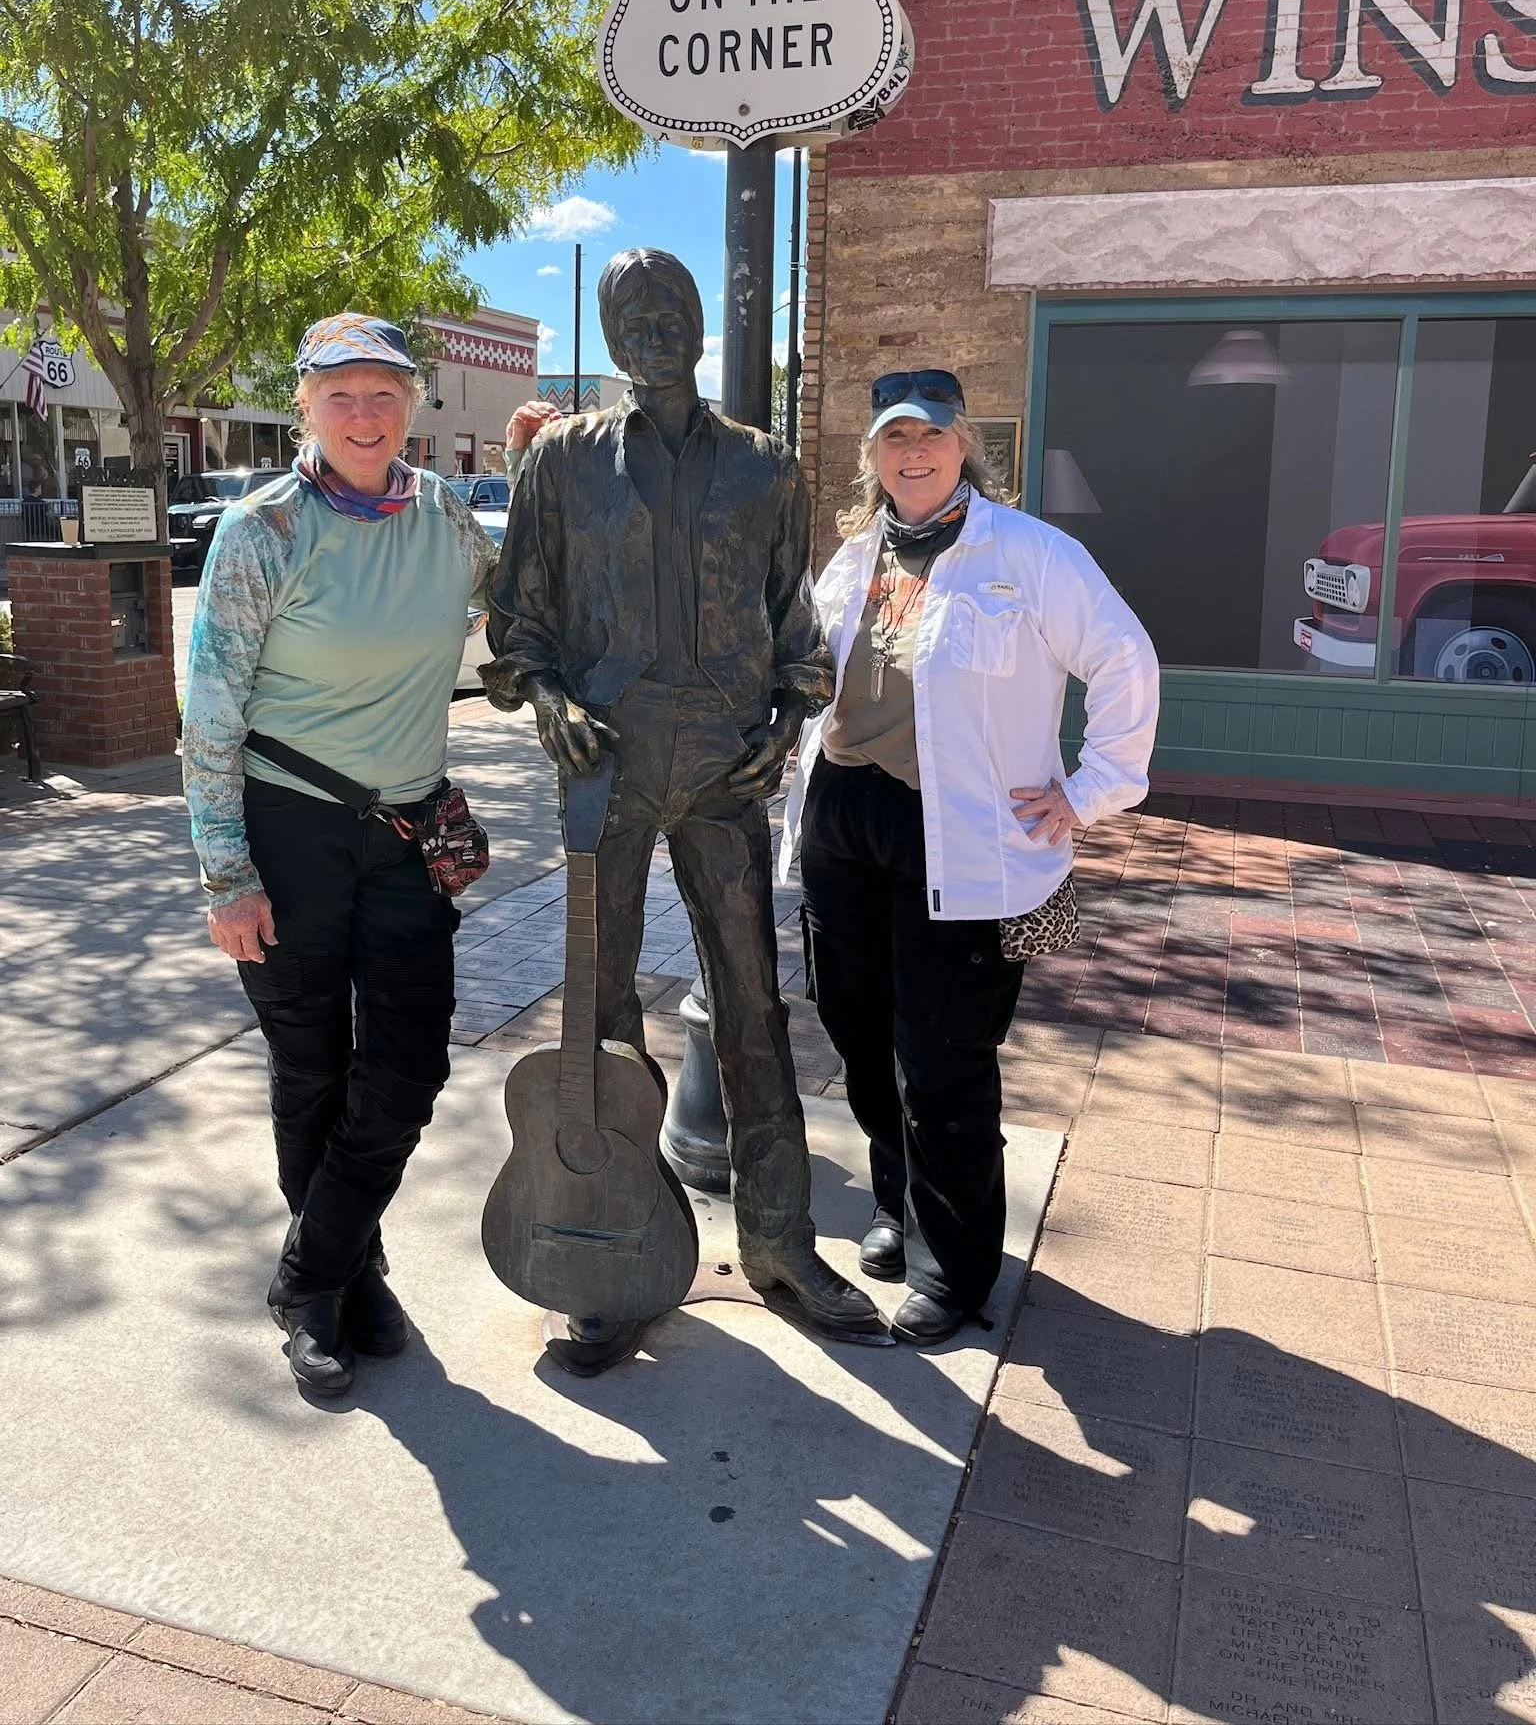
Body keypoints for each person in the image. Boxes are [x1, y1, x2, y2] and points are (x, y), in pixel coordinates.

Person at [483, 246, 885, 1364]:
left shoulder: (765, 467)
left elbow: (794, 624)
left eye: (671, 310)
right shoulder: (560, 461)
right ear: (610, 337)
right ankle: (612, 1245)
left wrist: (788, 728)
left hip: (722, 764)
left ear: (702, 322)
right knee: (599, 1009)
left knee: (754, 1004)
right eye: (631, 316)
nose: (653, 329)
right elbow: (518, 618)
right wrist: (549, 701)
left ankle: (780, 1239)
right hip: (605, 761)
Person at [781, 370, 1159, 1347]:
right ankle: (897, 1200)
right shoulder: (853, 557)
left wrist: (1090, 789)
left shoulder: (1028, 553)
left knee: (942, 1050)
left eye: (931, 435)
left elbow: (1123, 657)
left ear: (964, 445)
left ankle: (955, 1262)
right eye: (894, 438)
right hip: (842, 817)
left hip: (955, 828)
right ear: (872, 453)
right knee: (857, 1026)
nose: (912, 453)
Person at [183, 315, 499, 1398]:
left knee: (407, 1071)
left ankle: (309, 1272)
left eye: (384, 394)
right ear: (305, 406)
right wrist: (227, 876)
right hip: (289, 832)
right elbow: (210, 716)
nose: (364, 416)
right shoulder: (264, 529)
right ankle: (346, 1281)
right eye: (340, 395)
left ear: (414, 403)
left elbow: (526, 607)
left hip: (408, 834)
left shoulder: (448, 517)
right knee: (312, 1068)